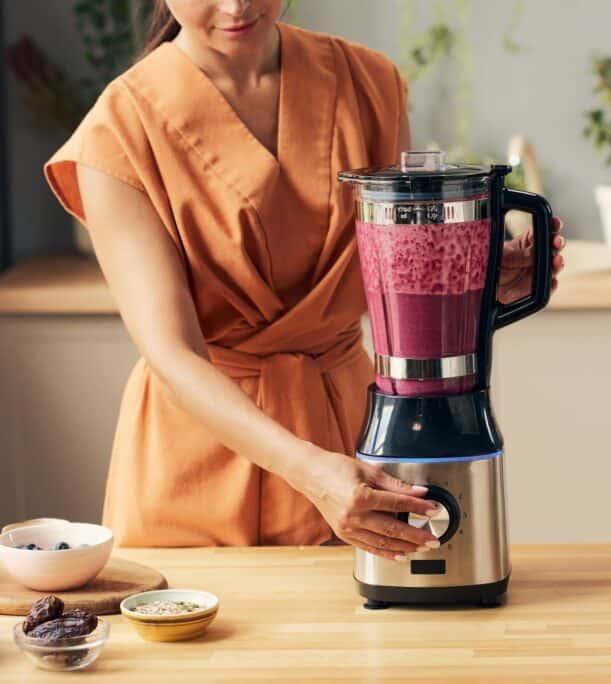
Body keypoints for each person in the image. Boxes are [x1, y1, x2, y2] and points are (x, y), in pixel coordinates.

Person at [43, 0, 565, 557]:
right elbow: (173, 353)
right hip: (198, 457)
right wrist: (310, 471)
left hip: (353, 441)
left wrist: (480, 289)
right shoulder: (118, 131)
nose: (237, 5)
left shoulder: (370, 83)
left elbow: (385, 280)